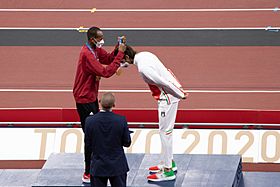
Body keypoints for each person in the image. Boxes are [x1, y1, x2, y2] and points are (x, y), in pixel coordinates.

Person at [121, 46, 187, 182]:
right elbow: (166, 71)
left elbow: (162, 81)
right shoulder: (145, 54)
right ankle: (168, 162)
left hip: (168, 98)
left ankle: (168, 170)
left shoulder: (143, 67)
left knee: (165, 133)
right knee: (164, 132)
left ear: (127, 57)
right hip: (170, 94)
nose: (122, 64)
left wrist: (180, 93)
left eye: (122, 60)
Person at [73, 26, 126, 183]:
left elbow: (109, 59)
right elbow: (105, 72)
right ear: (92, 39)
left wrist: (117, 49)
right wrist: (121, 54)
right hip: (84, 99)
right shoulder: (87, 54)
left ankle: (97, 165)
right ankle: (88, 172)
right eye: (100, 37)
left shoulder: (95, 49)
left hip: (91, 96)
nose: (102, 40)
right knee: (90, 134)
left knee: (96, 132)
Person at [85, 92, 131, 187]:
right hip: (117, 165)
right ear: (114, 105)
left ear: (100, 102)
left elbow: (88, 144)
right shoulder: (121, 120)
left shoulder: (89, 121)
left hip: (98, 166)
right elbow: (127, 142)